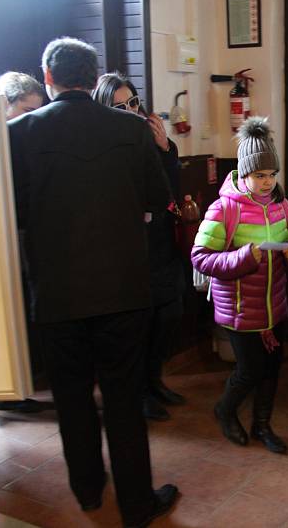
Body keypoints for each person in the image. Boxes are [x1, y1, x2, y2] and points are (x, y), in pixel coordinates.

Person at [8, 37, 178, 526]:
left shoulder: (19, 134)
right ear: (92, 75)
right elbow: (155, 196)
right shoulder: (130, 130)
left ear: (48, 77)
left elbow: (12, 212)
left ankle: (86, 491)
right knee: (124, 400)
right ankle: (137, 505)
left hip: (58, 292)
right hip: (124, 289)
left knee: (72, 398)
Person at [191, 117, 288, 454]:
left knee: (271, 369)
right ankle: (225, 409)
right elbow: (200, 258)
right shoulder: (224, 209)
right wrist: (245, 257)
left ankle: (262, 425)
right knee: (250, 370)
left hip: (275, 306)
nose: (267, 182)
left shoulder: (282, 205)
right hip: (239, 309)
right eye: (259, 175)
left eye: (271, 175)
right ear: (243, 173)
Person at [93, 72, 186, 422]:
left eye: (133, 102)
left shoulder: (150, 138)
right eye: (120, 106)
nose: (132, 110)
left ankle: (154, 379)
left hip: (160, 238)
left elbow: (169, 190)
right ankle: (141, 392)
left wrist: (165, 150)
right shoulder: (105, 145)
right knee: (139, 324)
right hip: (128, 246)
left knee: (169, 314)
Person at [0, 71, 47, 422]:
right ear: (4, 105)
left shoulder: (26, 141)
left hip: (18, 235)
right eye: (25, 110)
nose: (31, 117)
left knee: (14, 311)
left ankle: (8, 392)